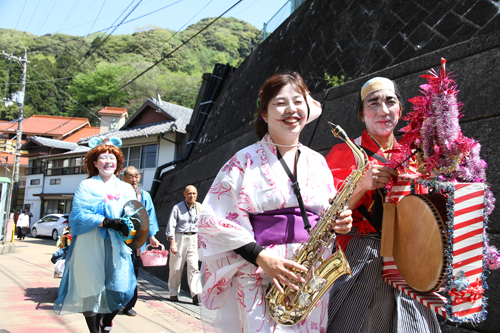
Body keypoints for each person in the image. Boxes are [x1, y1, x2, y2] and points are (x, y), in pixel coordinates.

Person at [198, 71, 353, 333]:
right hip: (258, 275)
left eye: (298, 100)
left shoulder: (318, 161)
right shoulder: (242, 161)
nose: (291, 109)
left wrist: (341, 223)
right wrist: (261, 257)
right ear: (265, 114)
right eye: (280, 102)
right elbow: (212, 220)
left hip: (309, 277)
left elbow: (325, 214)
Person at [325, 77, 440, 332]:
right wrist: (362, 185)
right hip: (360, 256)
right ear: (361, 113)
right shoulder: (345, 152)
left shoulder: (415, 157)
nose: (383, 110)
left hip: (408, 259)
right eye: (373, 103)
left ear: (400, 110)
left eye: (390, 102)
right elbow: (326, 216)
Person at [53, 139, 137, 333]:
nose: (108, 161)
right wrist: (106, 222)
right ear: (94, 162)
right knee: (91, 288)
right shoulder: (86, 186)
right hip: (90, 243)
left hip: (117, 244)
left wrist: (130, 229)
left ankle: (107, 319)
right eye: (103, 157)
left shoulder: (125, 188)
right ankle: (94, 331)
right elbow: (78, 215)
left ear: (118, 163)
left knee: (123, 287)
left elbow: (134, 214)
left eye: (112, 157)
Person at [121, 165, 160, 316]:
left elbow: (149, 217)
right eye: (130, 176)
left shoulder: (144, 196)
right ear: (123, 178)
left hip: (137, 241)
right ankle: (114, 300)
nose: (134, 179)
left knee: (133, 271)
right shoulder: (118, 195)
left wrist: (152, 236)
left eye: (136, 176)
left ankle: (129, 304)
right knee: (118, 269)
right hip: (119, 239)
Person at [166, 185, 201, 305]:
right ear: (184, 194)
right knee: (176, 267)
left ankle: (196, 294)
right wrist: (172, 243)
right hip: (179, 237)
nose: (192, 196)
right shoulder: (177, 208)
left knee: (194, 267)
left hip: (194, 238)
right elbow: (171, 226)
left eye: (194, 193)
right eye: (189, 193)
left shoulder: (199, 207)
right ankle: (173, 292)